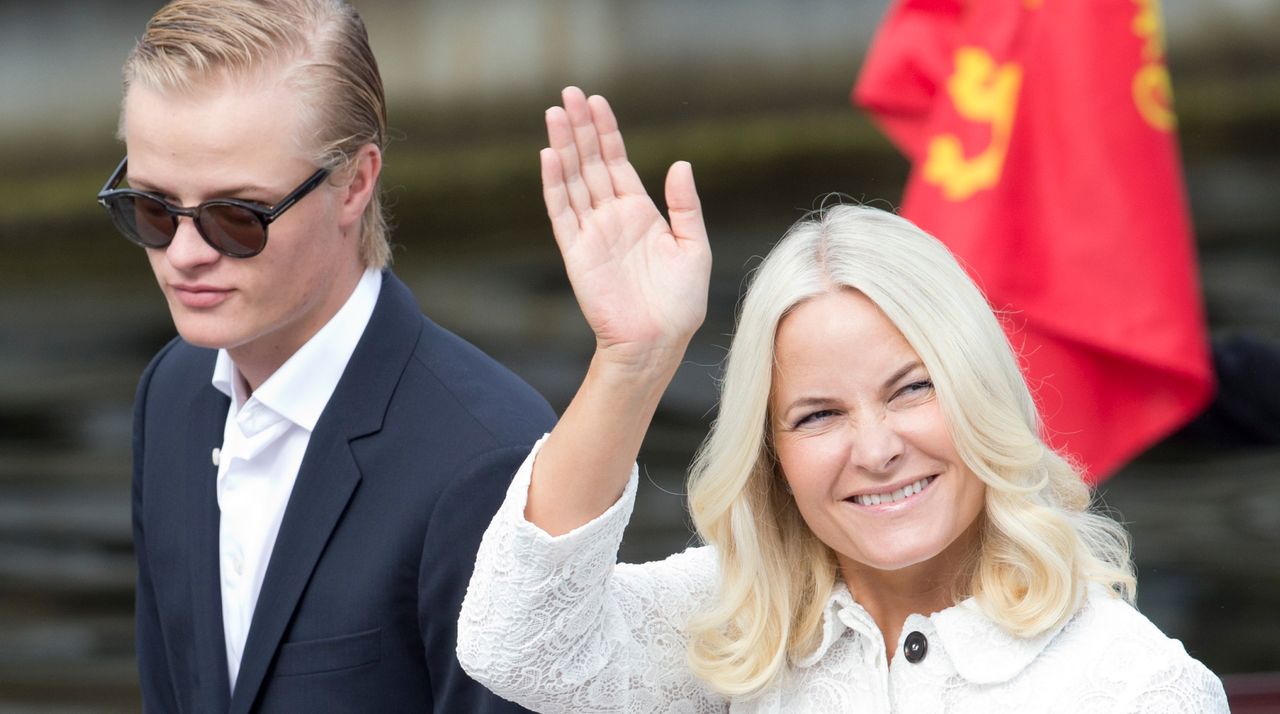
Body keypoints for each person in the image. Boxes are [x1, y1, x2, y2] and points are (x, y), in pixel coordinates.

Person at [456, 87, 1230, 712]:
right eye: (818, 415)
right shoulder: (736, 624)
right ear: (774, 459)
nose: (877, 448)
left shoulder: (1139, 688)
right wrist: (634, 361)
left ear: (980, 392)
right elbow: (518, 641)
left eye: (912, 390)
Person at [97, 1, 553, 711]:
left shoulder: (488, 458)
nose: (184, 256)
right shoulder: (171, 395)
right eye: (152, 209)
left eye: (236, 217)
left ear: (355, 182)